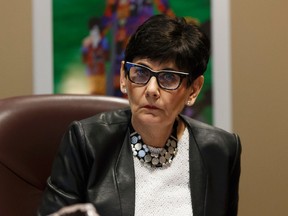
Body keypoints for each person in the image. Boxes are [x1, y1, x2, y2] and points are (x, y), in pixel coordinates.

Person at [38, 14, 241, 216]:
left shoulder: (220, 150)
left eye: (169, 77)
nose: (151, 89)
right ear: (124, 78)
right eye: (141, 73)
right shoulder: (86, 141)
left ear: (194, 90)